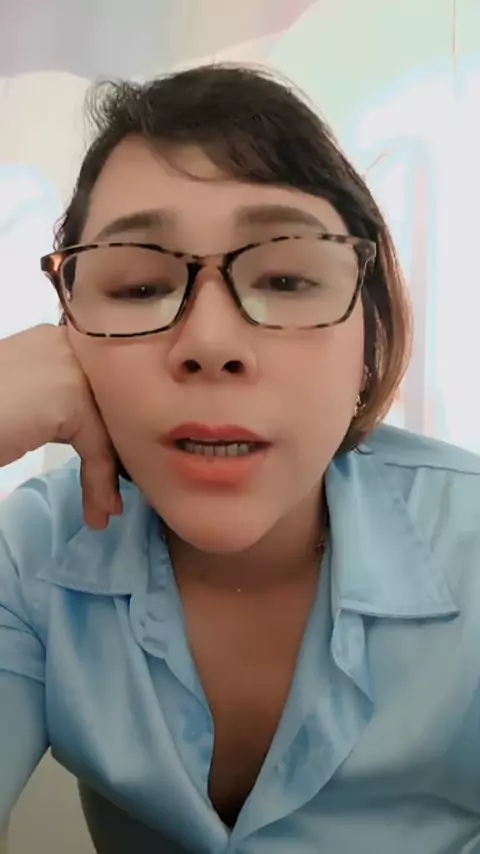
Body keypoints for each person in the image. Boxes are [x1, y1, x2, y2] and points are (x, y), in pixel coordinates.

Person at [1, 63, 480, 854]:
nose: (211, 343)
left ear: (370, 336)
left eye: (287, 278)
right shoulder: (32, 557)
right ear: (67, 339)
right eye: (139, 286)